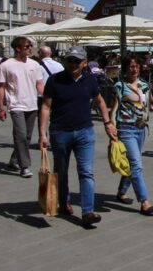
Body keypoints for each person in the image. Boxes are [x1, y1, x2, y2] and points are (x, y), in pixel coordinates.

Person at [38, 47, 117, 225]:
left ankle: (88, 211)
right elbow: (45, 107)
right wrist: (42, 134)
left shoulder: (90, 79)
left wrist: (107, 123)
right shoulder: (55, 80)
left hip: (85, 132)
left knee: (86, 171)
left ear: (84, 62)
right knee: (62, 171)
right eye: (70, 60)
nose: (73, 64)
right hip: (60, 132)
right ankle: (64, 201)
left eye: (77, 61)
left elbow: (100, 100)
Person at [110, 55, 153, 216]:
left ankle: (121, 192)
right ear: (125, 68)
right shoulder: (119, 86)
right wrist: (112, 130)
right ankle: (144, 202)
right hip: (126, 129)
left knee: (133, 163)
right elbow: (114, 111)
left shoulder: (144, 85)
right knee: (137, 165)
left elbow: (151, 105)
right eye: (131, 66)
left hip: (141, 129)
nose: (134, 69)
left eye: (136, 66)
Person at [0, 36, 44, 178]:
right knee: (21, 134)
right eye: (27, 46)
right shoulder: (6, 65)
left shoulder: (34, 65)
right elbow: (0, 87)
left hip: (32, 104)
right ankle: (24, 166)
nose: (30, 49)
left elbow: (39, 84)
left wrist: (49, 97)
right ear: (18, 48)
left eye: (30, 46)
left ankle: (14, 160)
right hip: (16, 104)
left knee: (27, 136)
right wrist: (0, 107)